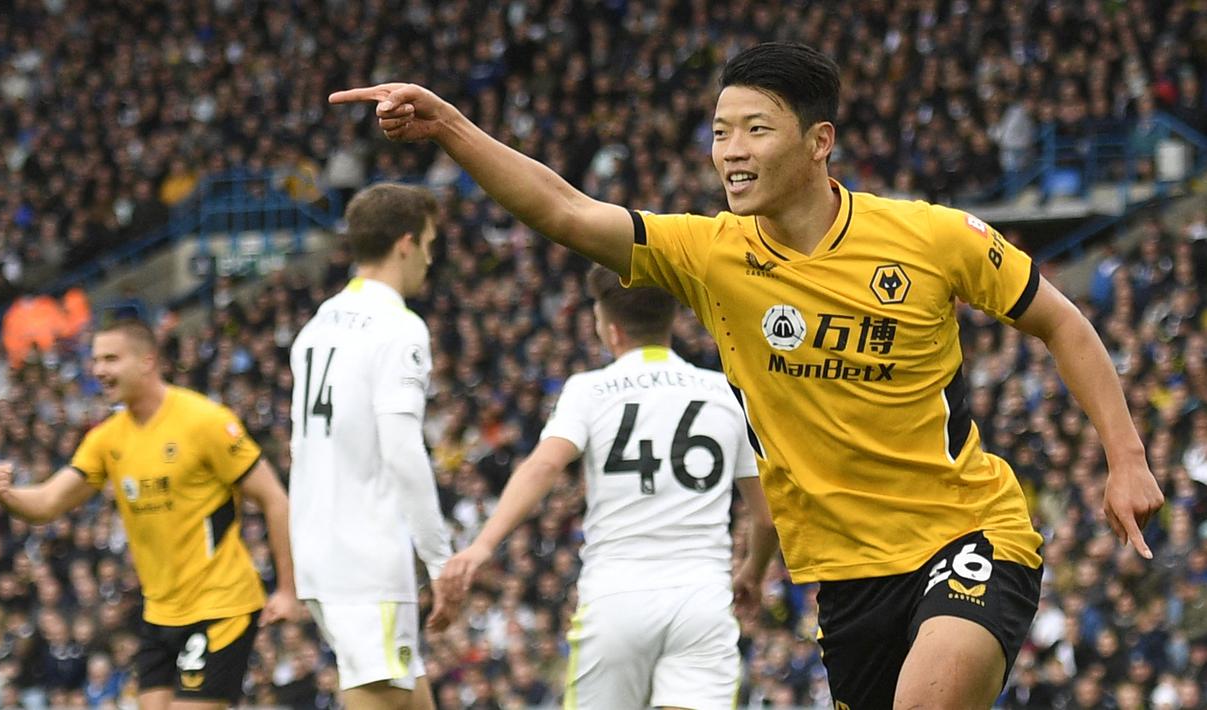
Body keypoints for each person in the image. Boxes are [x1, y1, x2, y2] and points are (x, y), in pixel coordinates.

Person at [330, 41, 1165, 709]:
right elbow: (564, 209)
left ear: (818, 141)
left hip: (968, 533)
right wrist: (450, 128)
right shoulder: (710, 255)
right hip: (843, 581)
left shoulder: (932, 237)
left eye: (754, 129)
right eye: (719, 132)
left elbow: (1061, 322)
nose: (729, 151)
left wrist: (1124, 457)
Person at [442, 264, 778, 709]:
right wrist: (752, 571)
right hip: (702, 600)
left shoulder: (590, 390)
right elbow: (767, 516)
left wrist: (483, 545)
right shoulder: (724, 393)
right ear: (672, 320)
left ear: (610, 329)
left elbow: (544, 464)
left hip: (617, 597)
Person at [0, 317, 298, 710]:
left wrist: (287, 590)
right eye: (96, 360)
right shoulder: (107, 438)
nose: (99, 370)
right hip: (159, 612)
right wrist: (6, 494)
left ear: (147, 361)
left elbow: (275, 499)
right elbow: (47, 503)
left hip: (221, 606)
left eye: (111, 359)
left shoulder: (204, 421)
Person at [288, 182, 455, 710]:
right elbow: (402, 450)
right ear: (406, 244)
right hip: (365, 554)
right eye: (429, 243)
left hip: (319, 543)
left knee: (409, 694)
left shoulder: (317, 325)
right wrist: (440, 560)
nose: (430, 258)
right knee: (382, 692)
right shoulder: (398, 328)